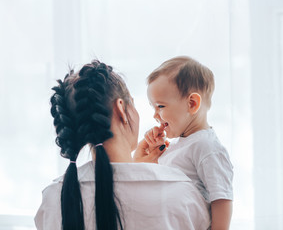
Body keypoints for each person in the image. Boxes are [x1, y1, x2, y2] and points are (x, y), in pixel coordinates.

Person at [34, 60, 210, 230]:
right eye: (131, 103)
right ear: (121, 109)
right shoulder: (181, 194)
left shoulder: (53, 199)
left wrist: (136, 166)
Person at [141, 56, 233, 230]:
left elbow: (222, 198)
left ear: (192, 104)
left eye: (160, 106)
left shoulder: (206, 146)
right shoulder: (179, 144)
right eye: (153, 107)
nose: (155, 115)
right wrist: (153, 155)